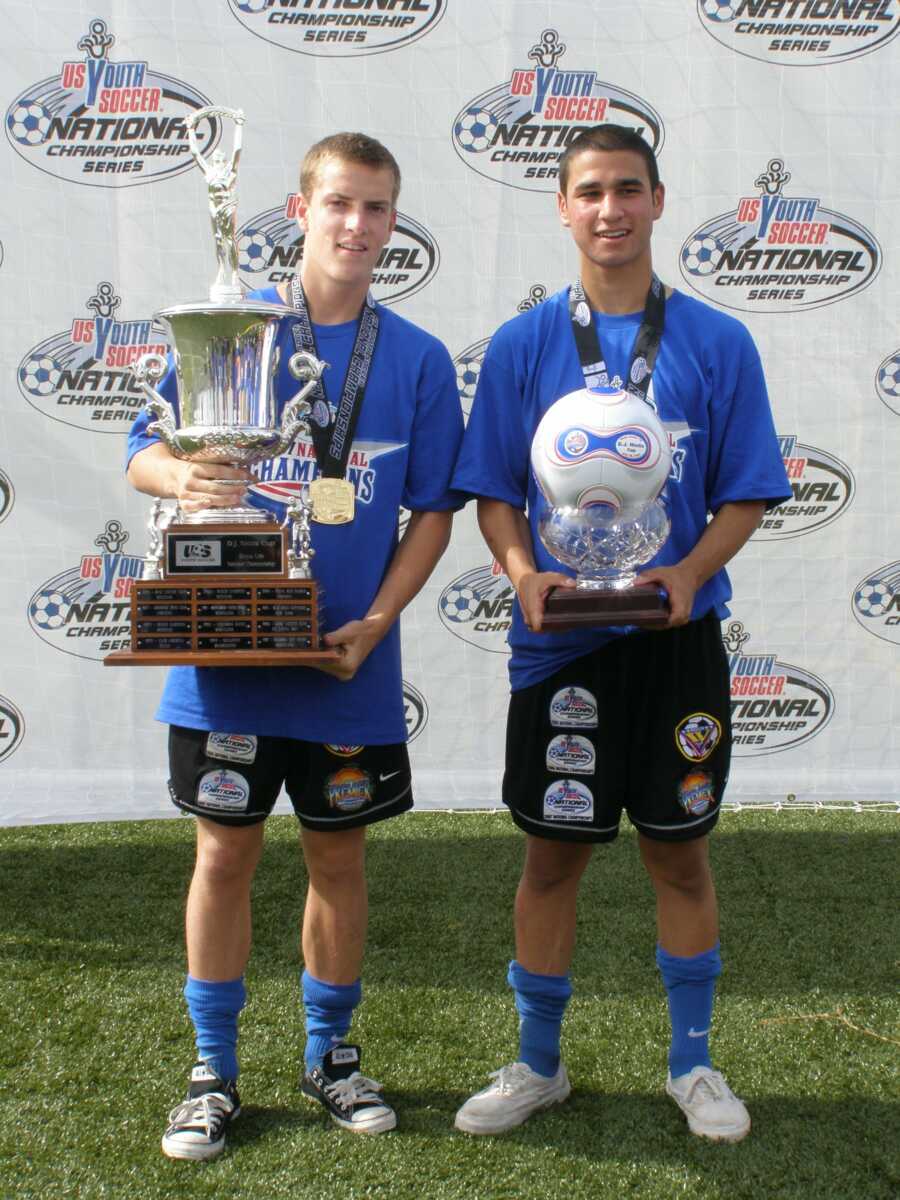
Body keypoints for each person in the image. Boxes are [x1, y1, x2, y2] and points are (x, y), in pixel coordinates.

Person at [126, 132, 463, 1160]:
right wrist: (181, 481)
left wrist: (378, 623)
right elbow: (142, 453)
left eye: (376, 209)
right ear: (300, 209)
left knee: (338, 860)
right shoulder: (234, 333)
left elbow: (435, 514)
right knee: (223, 855)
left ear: (394, 225)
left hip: (345, 666)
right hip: (225, 657)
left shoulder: (415, 359)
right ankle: (212, 1073)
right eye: (339, 205)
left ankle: (331, 1056)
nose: (357, 226)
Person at [450, 125, 790, 1143]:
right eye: (590, 191)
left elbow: (748, 489)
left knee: (680, 857)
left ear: (658, 200)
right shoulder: (520, 348)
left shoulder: (718, 342)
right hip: (562, 645)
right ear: (563, 207)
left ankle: (693, 1066)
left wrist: (688, 572)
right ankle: (538, 1064)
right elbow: (492, 494)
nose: (610, 209)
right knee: (552, 858)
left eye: (628, 190)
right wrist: (523, 575)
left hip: (677, 639)